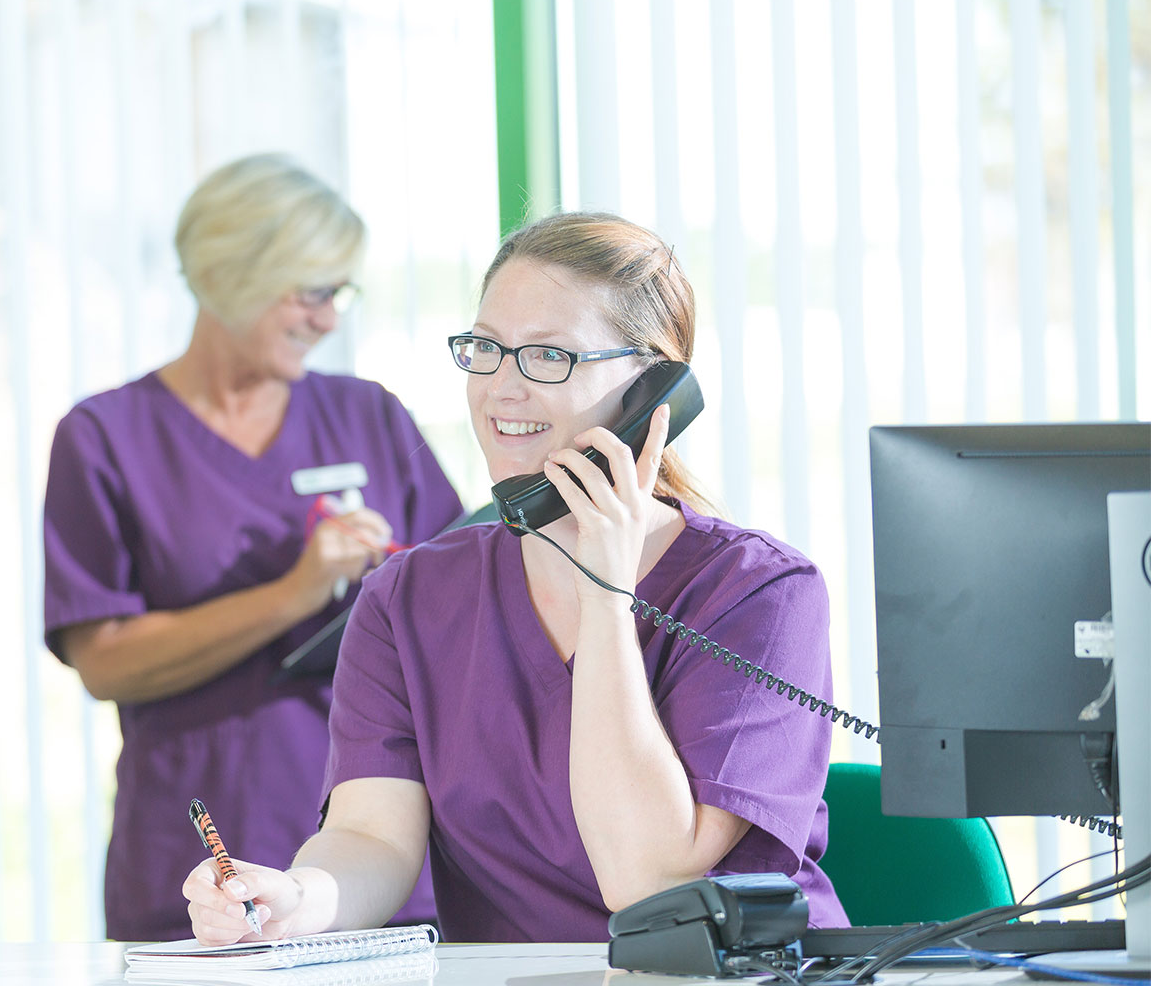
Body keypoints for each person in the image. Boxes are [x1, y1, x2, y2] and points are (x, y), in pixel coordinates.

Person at [181, 211, 850, 942]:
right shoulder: (408, 599)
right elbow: (372, 838)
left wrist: (605, 596)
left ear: (653, 392)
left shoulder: (760, 593)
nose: (502, 387)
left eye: (548, 357)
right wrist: (292, 899)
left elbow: (646, 881)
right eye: (486, 348)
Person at [43, 155, 464, 941]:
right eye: (311, 292)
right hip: (202, 862)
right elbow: (104, 660)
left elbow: (462, 603)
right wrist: (295, 593)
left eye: (340, 293)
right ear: (233, 275)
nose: (329, 318)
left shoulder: (370, 415)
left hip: (376, 866)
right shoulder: (106, 438)